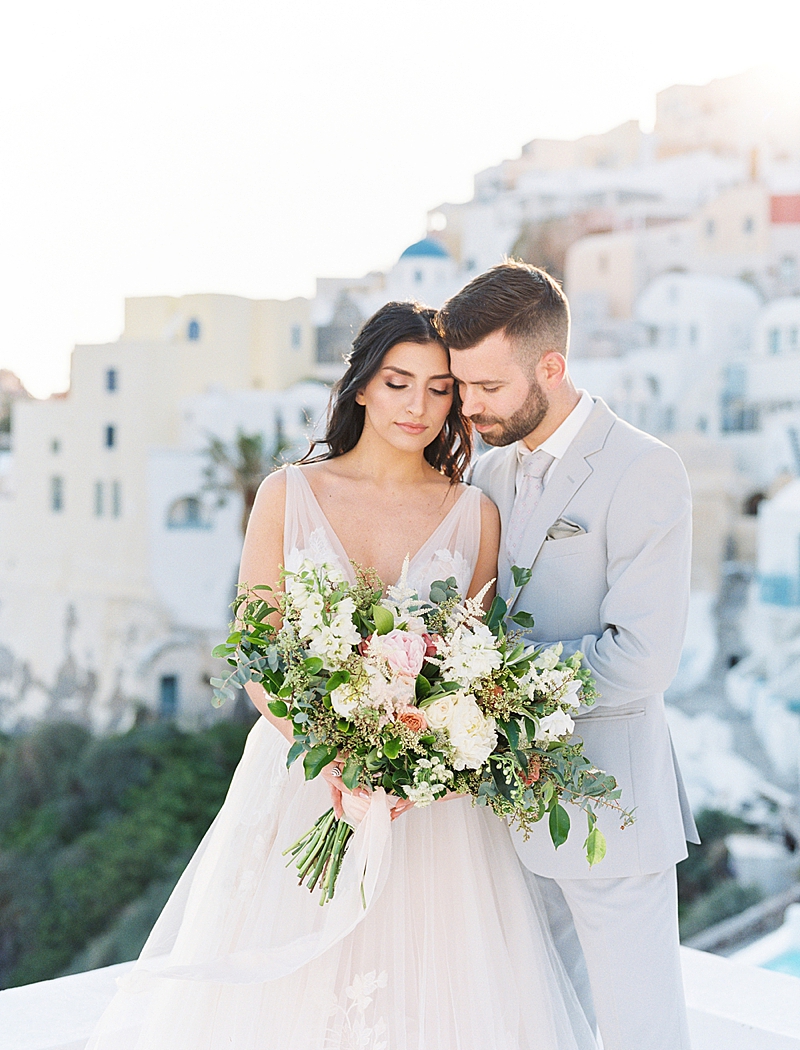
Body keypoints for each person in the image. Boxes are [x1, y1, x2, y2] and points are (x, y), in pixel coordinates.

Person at [86, 301, 599, 1050]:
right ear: (362, 386)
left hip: (432, 812)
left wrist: (419, 758)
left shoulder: (475, 515)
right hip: (303, 778)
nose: (417, 406)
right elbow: (255, 649)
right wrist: (339, 755)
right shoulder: (289, 494)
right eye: (398, 383)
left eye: (438, 388)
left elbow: (475, 667)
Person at [437, 261, 700, 1050]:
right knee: (544, 1023)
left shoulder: (645, 470)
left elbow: (642, 658)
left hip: (608, 804)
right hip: (505, 805)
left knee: (639, 1030)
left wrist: (495, 689)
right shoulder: (489, 467)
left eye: (486, 386)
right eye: (461, 386)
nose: (469, 407)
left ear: (550, 367)